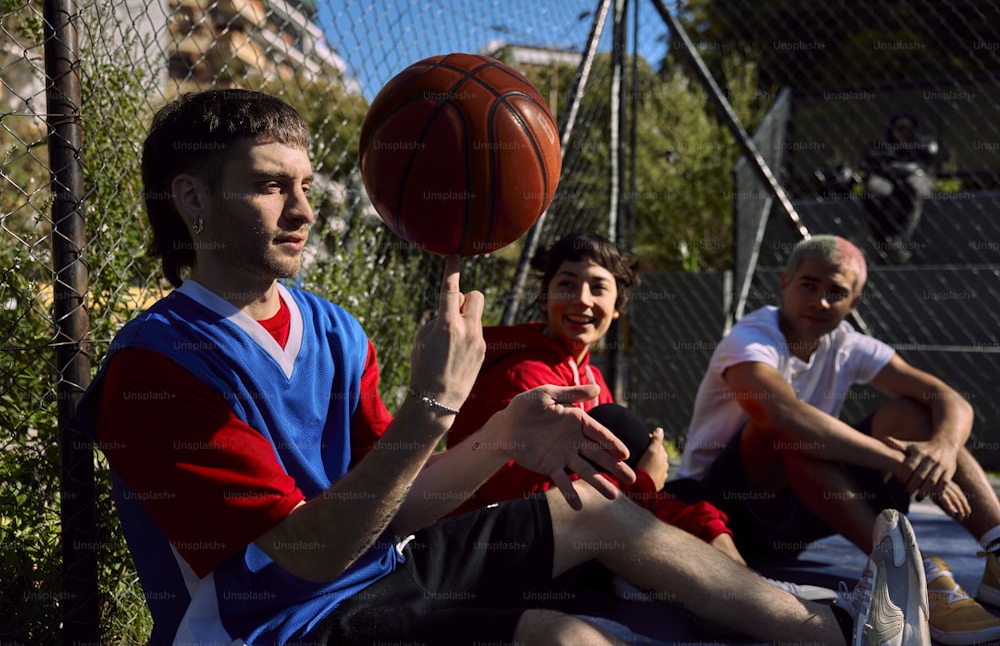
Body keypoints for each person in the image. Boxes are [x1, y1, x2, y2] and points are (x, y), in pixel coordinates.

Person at [73, 90, 929, 646]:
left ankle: (841, 631)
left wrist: (500, 436)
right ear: (192, 200)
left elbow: (394, 497)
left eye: (306, 183)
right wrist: (433, 408)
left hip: (372, 579)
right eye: (270, 187)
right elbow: (300, 554)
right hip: (272, 627)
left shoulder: (332, 329)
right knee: (571, 644)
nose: (302, 208)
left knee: (592, 510)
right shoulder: (154, 370)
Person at [446, 232, 831, 600]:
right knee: (620, 426)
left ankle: (752, 591)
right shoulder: (524, 374)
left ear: (617, 308)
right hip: (509, 552)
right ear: (546, 296)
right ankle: (740, 599)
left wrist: (647, 489)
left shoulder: (588, 374)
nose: (581, 299)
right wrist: (644, 483)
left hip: (575, 524)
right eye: (566, 284)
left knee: (693, 503)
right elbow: (517, 505)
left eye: (598, 287)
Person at [673, 233, 1000, 646]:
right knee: (789, 432)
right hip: (726, 505)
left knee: (915, 415)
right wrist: (900, 461)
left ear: (854, 302)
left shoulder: (847, 344)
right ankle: (904, 570)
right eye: (809, 285)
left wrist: (942, 450)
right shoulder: (751, 336)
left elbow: (947, 398)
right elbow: (781, 415)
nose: (820, 301)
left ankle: (998, 547)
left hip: (803, 504)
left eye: (836, 292)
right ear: (784, 284)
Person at [860, 112, 938, 264]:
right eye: (900, 127)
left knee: (912, 189)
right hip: (887, 178)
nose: (904, 131)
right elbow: (869, 162)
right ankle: (882, 241)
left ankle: (898, 241)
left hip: (915, 177)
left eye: (909, 128)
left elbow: (929, 156)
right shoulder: (881, 147)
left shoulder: (922, 145)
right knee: (874, 190)